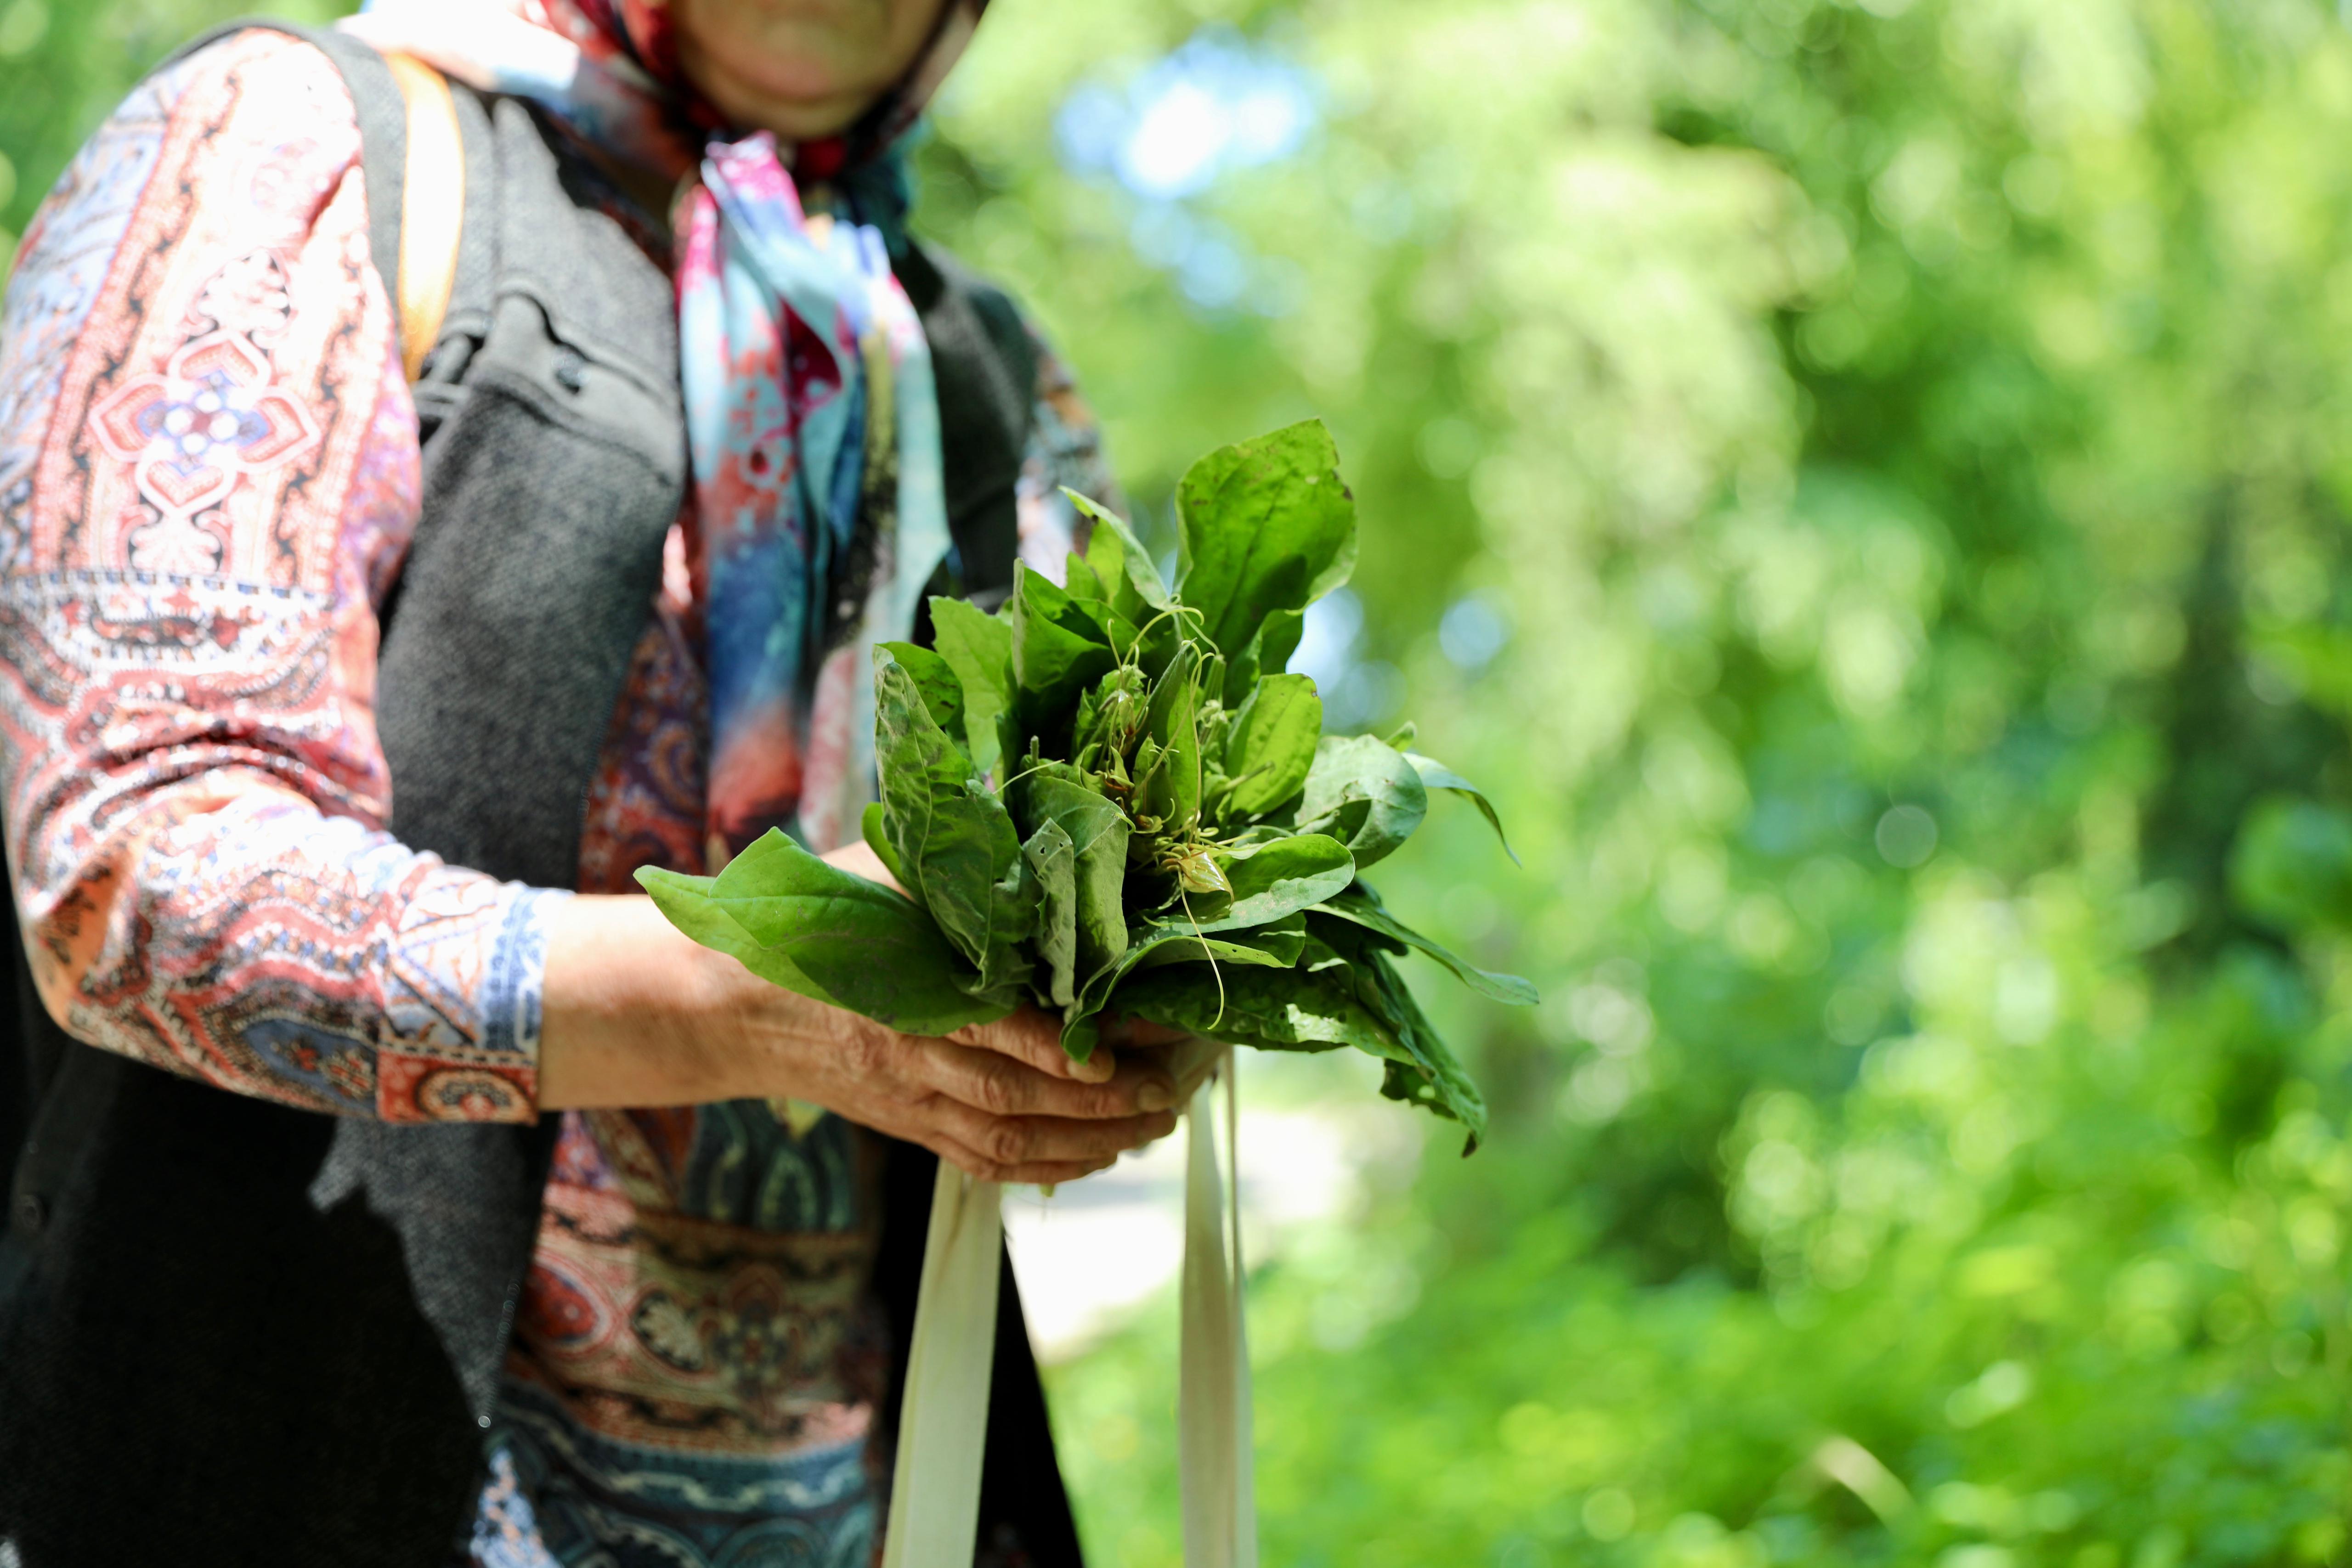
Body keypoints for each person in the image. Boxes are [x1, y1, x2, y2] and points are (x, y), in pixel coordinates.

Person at [0, 1, 1193, 1563]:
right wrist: (742, 995)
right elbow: (128, 873)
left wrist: (1137, 1001)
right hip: (303, 1468)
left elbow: (1122, 846)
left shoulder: (985, 376)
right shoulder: (299, 147)